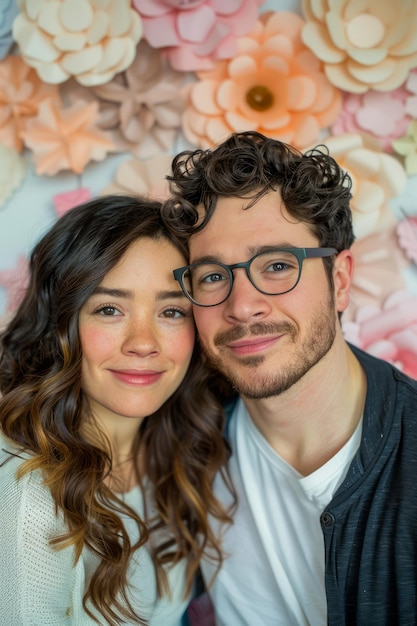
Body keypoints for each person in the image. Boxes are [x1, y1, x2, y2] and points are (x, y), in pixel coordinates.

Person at [161, 131, 417, 626]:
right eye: (213, 276)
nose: (242, 307)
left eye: (277, 265)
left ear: (339, 280)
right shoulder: (183, 435)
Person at [0, 195, 234, 626]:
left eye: (171, 311)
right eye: (110, 309)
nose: (143, 342)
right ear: (61, 324)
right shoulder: (26, 493)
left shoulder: (180, 450)